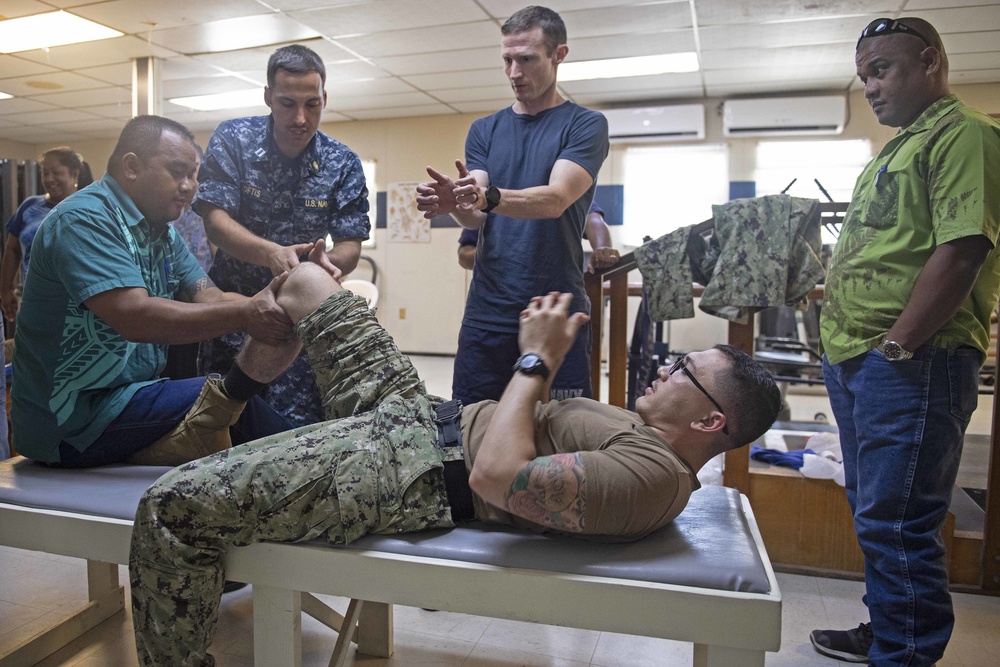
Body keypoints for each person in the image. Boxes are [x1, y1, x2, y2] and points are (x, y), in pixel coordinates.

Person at [129, 257, 782, 666]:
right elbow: (524, 427)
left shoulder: (650, 478)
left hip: (405, 466)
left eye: (683, 370)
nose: (666, 366)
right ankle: (212, 417)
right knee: (303, 280)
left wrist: (537, 359)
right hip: (417, 411)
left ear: (708, 421)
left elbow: (494, 477)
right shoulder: (642, 433)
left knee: (169, 507)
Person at [810, 17, 1000, 666]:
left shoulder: (964, 134)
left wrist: (899, 345)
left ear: (930, 62)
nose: (870, 87)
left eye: (882, 70)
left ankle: (905, 653)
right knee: (876, 513)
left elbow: (963, 247)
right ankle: (890, 630)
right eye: (864, 75)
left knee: (898, 520)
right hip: (858, 360)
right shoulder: (897, 148)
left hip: (913, 361)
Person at [10, 115, 299, 468]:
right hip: (70, 424)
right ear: (131, 167)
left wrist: (283, 303)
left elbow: (212, 297)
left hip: (123, 402)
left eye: (194, 175)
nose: (190, 186)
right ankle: (329, 478)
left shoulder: (160, 233)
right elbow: (135, 316)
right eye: (179, 172)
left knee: (229, 417)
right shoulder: (84, 218)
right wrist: (247, 315)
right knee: (231, 403)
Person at [417, 6, 611, 405]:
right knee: (471, 429)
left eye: (527, 60)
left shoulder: (585, 125)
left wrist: (487, 198)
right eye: (507, 60)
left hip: (555, 312)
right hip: (488, 311)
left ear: (559, 55)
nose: (514, 73)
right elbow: (475, 209)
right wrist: (457, 202)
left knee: (558, 432)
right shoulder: (485, 130)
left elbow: (555, 199)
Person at [194, 43, 371, 429]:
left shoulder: (341, 162)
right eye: (288, 103)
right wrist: (272, 254)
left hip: (301, 329)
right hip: (234, 317)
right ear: (268, 98)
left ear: (325, 98)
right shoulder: (234, 140)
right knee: (221, 428)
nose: (300, 118)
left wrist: (324, 265)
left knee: (295, 435)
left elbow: (350, 245)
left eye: (312, 104)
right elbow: (215, 222)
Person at [1, 147, 93, 321]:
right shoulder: (29, 206)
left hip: (77, 304)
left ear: (74, 174)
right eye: (45, 173)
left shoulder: (88, 208)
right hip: (34, 300)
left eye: (57, 172)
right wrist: (6, 290)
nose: (50, 179)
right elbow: (12, 249)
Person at [457, 199, 620, 275]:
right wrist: (499, 253)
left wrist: (603, 250)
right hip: (497, 304)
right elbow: (463, 256)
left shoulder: (563, 192)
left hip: (558, 302)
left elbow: (594, 219)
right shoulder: (490, 196)